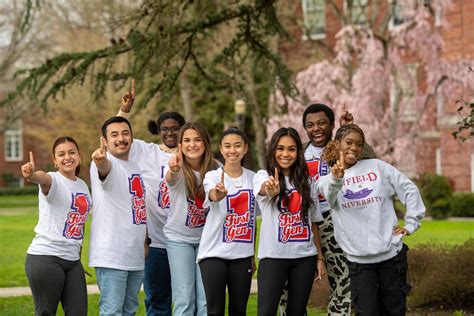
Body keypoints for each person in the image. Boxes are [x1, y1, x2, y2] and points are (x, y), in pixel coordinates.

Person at [318, 124, 425, 315]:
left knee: (394, 311)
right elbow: (331, 196)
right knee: (366, 312)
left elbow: (409, 189)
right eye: (349, 142)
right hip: (359, 262)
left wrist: (411, 223)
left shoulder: (377, 167)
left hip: (391, 257)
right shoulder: (326, 181)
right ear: (337, 144)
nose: (354, 148)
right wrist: (337, 178)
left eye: (359, 144)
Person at [296, 103, 375, 315]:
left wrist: (348, 129)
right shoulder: (298, 152)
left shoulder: (344, 149)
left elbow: (370, 161)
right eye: (310, 125)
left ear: (331, 124)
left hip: (335, 221)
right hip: (302, 223)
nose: (316, 128)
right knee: (293, 285)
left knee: (342, 281)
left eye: (322, 123)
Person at [119, 80, 185, 316]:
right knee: (157, 300)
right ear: (158, 131)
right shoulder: (146, 152)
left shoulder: (194, 155)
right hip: (155, 243)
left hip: (188, 242)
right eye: (165, 128)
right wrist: (125, 110)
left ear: (184, 130)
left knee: (187, 299)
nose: (170, 132)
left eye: (175, 128)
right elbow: (118, 136)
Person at [254, 127, 325, 316]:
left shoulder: (307, 182)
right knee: (266, 312)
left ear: (298, 152)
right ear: (273, 151)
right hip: (273, 257)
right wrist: (271, 190)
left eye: (291, 149)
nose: (286, 154)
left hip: (304, 257)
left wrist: (319, 257)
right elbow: (264, 190)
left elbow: (313, 222)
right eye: (280, 148)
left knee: (297, 311)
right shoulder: (264, 176)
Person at [22, 136, 91, 316]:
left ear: (79, 155)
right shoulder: (53, 179)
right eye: (61, 154)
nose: (67, 157)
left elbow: (79, 223)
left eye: (71, 152)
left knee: (79, 312)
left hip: (72, 261)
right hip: (46, 258)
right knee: (46, 312)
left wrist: (76, 254)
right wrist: (31, 175)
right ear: (55, 160)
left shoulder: (82, 185)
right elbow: (42, 178)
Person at [88, 116, 148, 315]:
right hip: (111, 254)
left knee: (129, 309)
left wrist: (146, 240)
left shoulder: (134, 167)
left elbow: (137, 206)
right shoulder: (106, 163)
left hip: (135, 253)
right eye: (114, 135)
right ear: (104, 141)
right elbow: (104, 170)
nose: (121, 138)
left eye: (125, 133)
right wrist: (101, 162)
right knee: (112, 311)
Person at [198, 127, 257, 316]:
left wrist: (251, 253)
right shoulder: (213, 176)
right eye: (228, 146)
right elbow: (212, 194)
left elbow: (252, 219)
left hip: (242, 255)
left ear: (245, 148)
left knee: (238, 310)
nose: (233, 150)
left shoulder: (254, 178)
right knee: (215, 311)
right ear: (221, 149)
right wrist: (218, 194)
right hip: (214, 253)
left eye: (238, 145)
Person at [164, 122, 218, 316]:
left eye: (197, 139)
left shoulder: (216, 170)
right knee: (184, 299)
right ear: (180, 145)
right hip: (179, 240)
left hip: (209, 242)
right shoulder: (175, 166)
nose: (192, 144)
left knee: (206, 301)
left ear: (205, 143)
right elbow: (171, 178)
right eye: (186, 140)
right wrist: (175, 169)